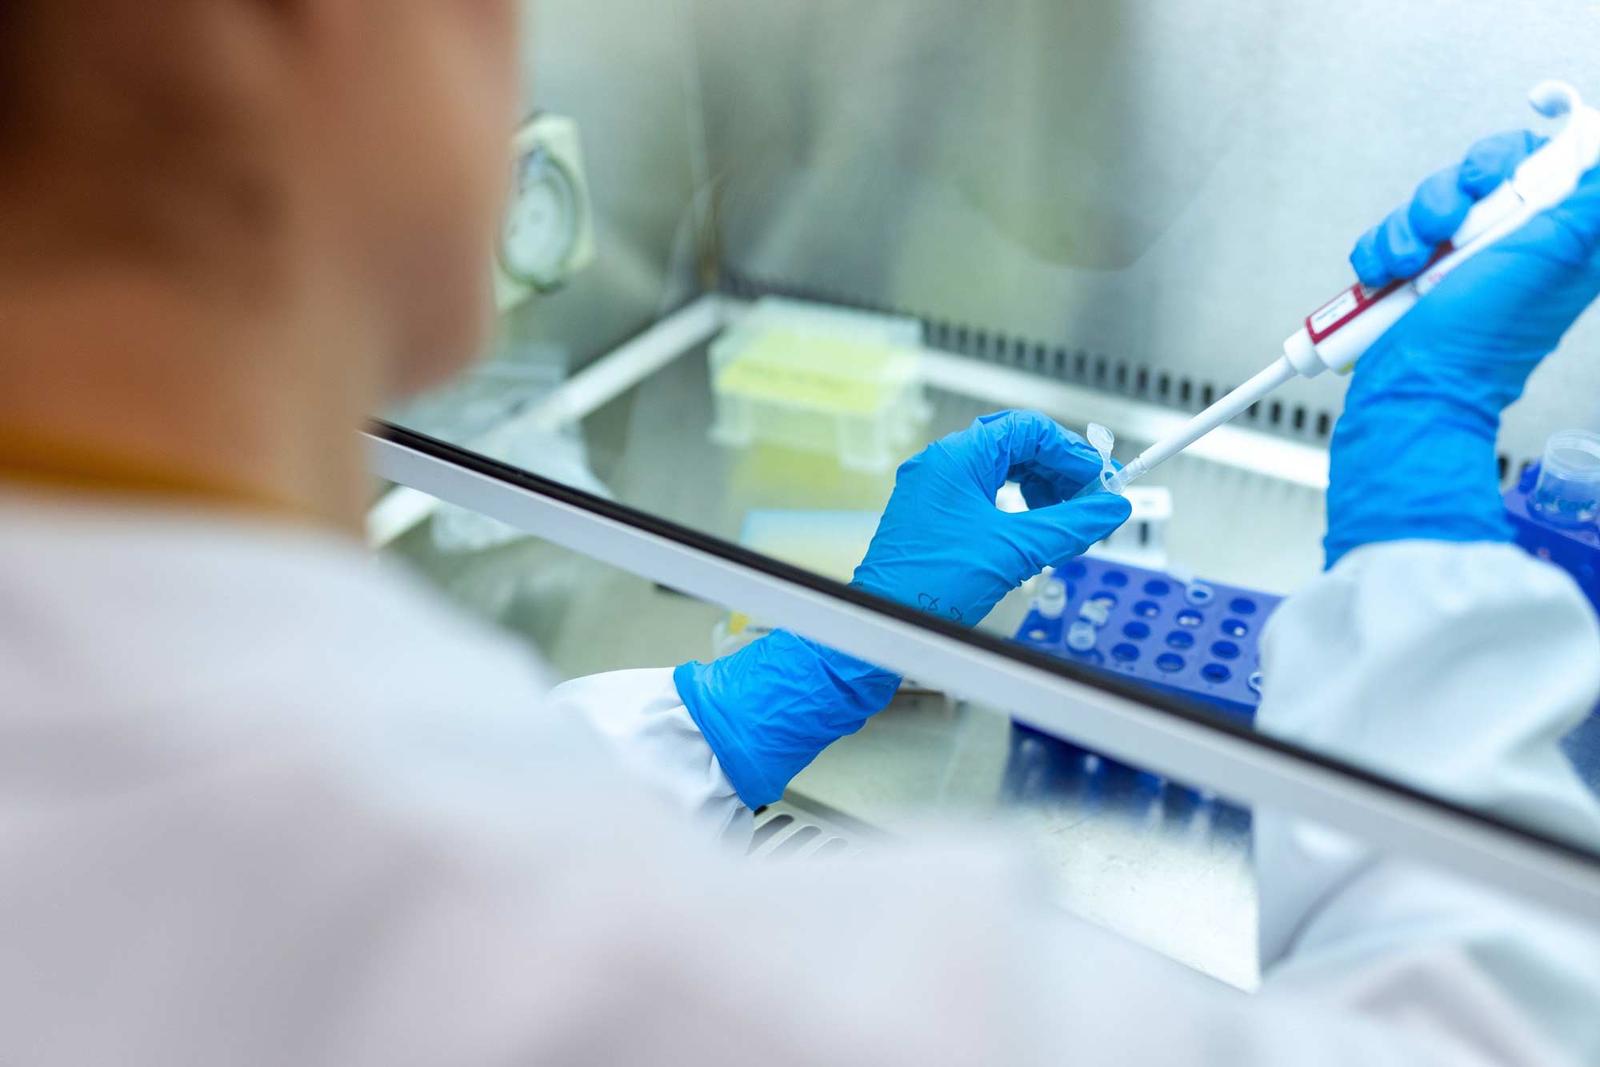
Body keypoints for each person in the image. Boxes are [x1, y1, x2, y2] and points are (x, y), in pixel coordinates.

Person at [0, 2, 1597, 1063]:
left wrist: (733, 705)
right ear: (285, 37)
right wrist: (1416, 499)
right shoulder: (641, 980)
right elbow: (1485, 1035)